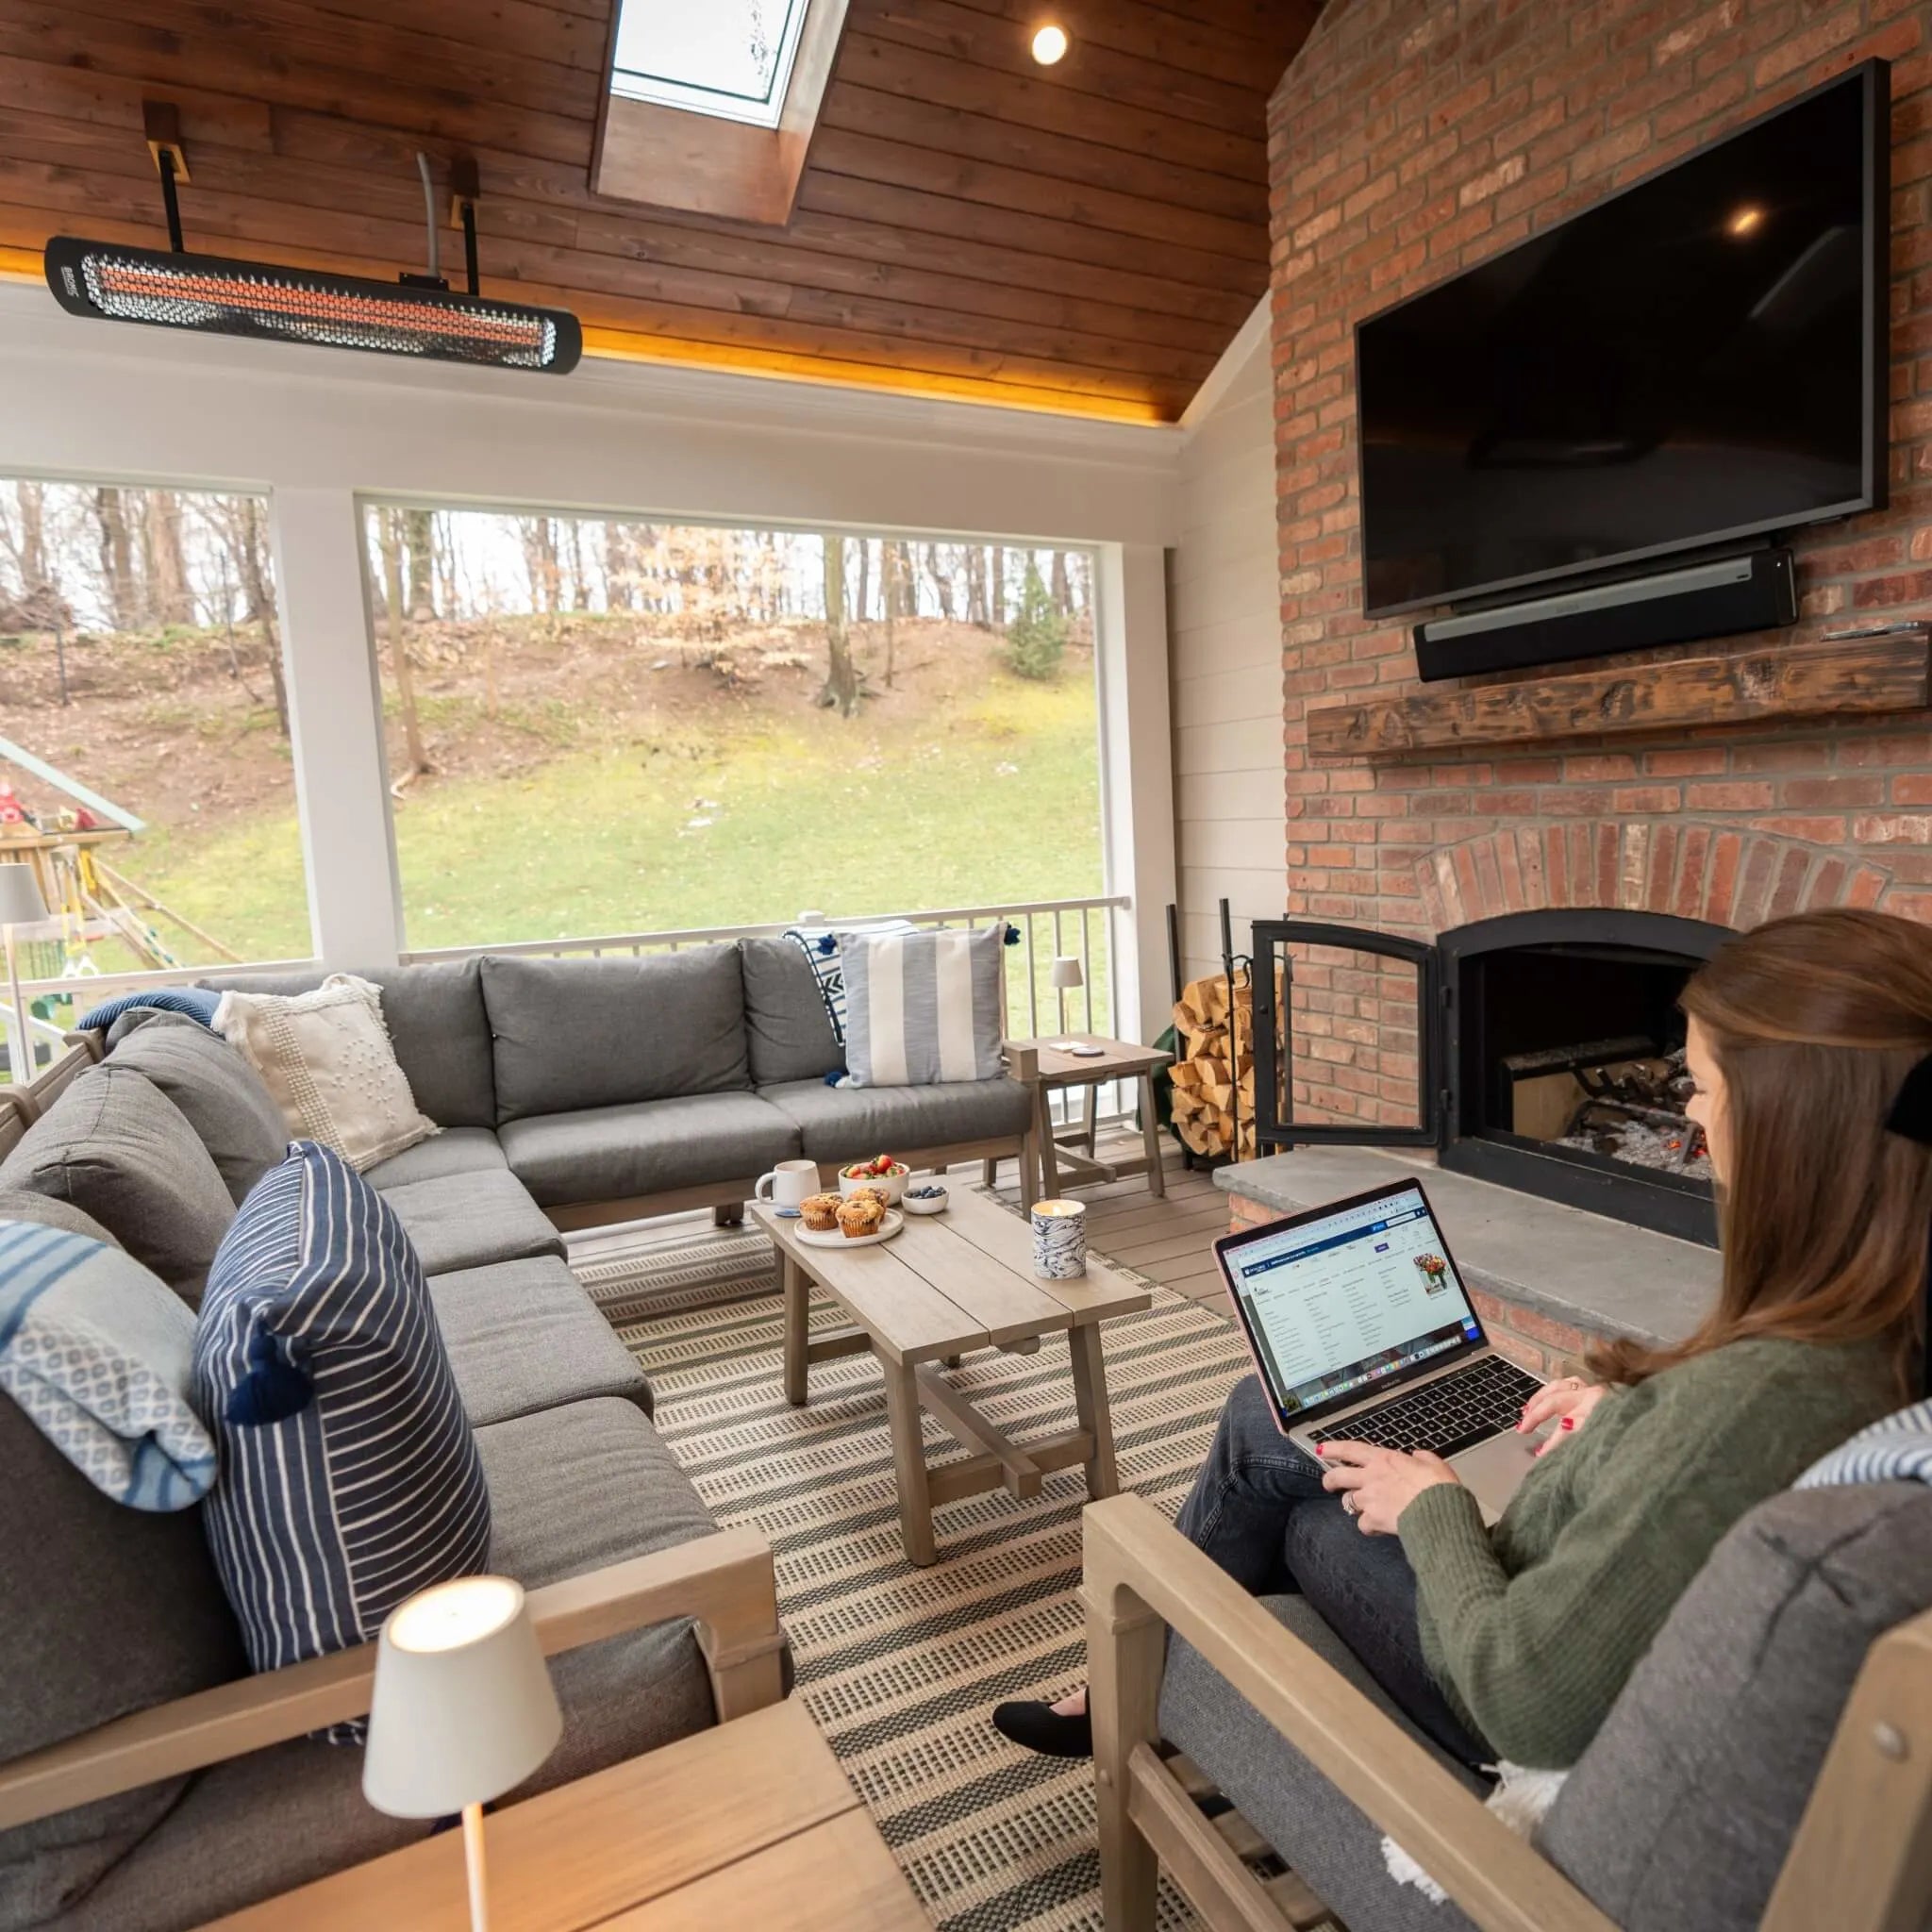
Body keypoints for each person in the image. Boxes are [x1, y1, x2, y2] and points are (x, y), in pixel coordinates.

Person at [993, 908, 1930, 1769]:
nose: (1686, 1110)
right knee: (1314, 1449)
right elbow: (1692, 1472)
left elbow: (1528, 1703)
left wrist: (1431, 1507)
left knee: (1286, 1454)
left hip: (1492, 1696)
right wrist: (1627, 1415)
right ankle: (1179, 1679)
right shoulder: (1877, 1339)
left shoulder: (1752, 1402)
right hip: (1565, 1584)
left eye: (1704, 1084)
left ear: (1793, 1127)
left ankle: (1128, 1684)